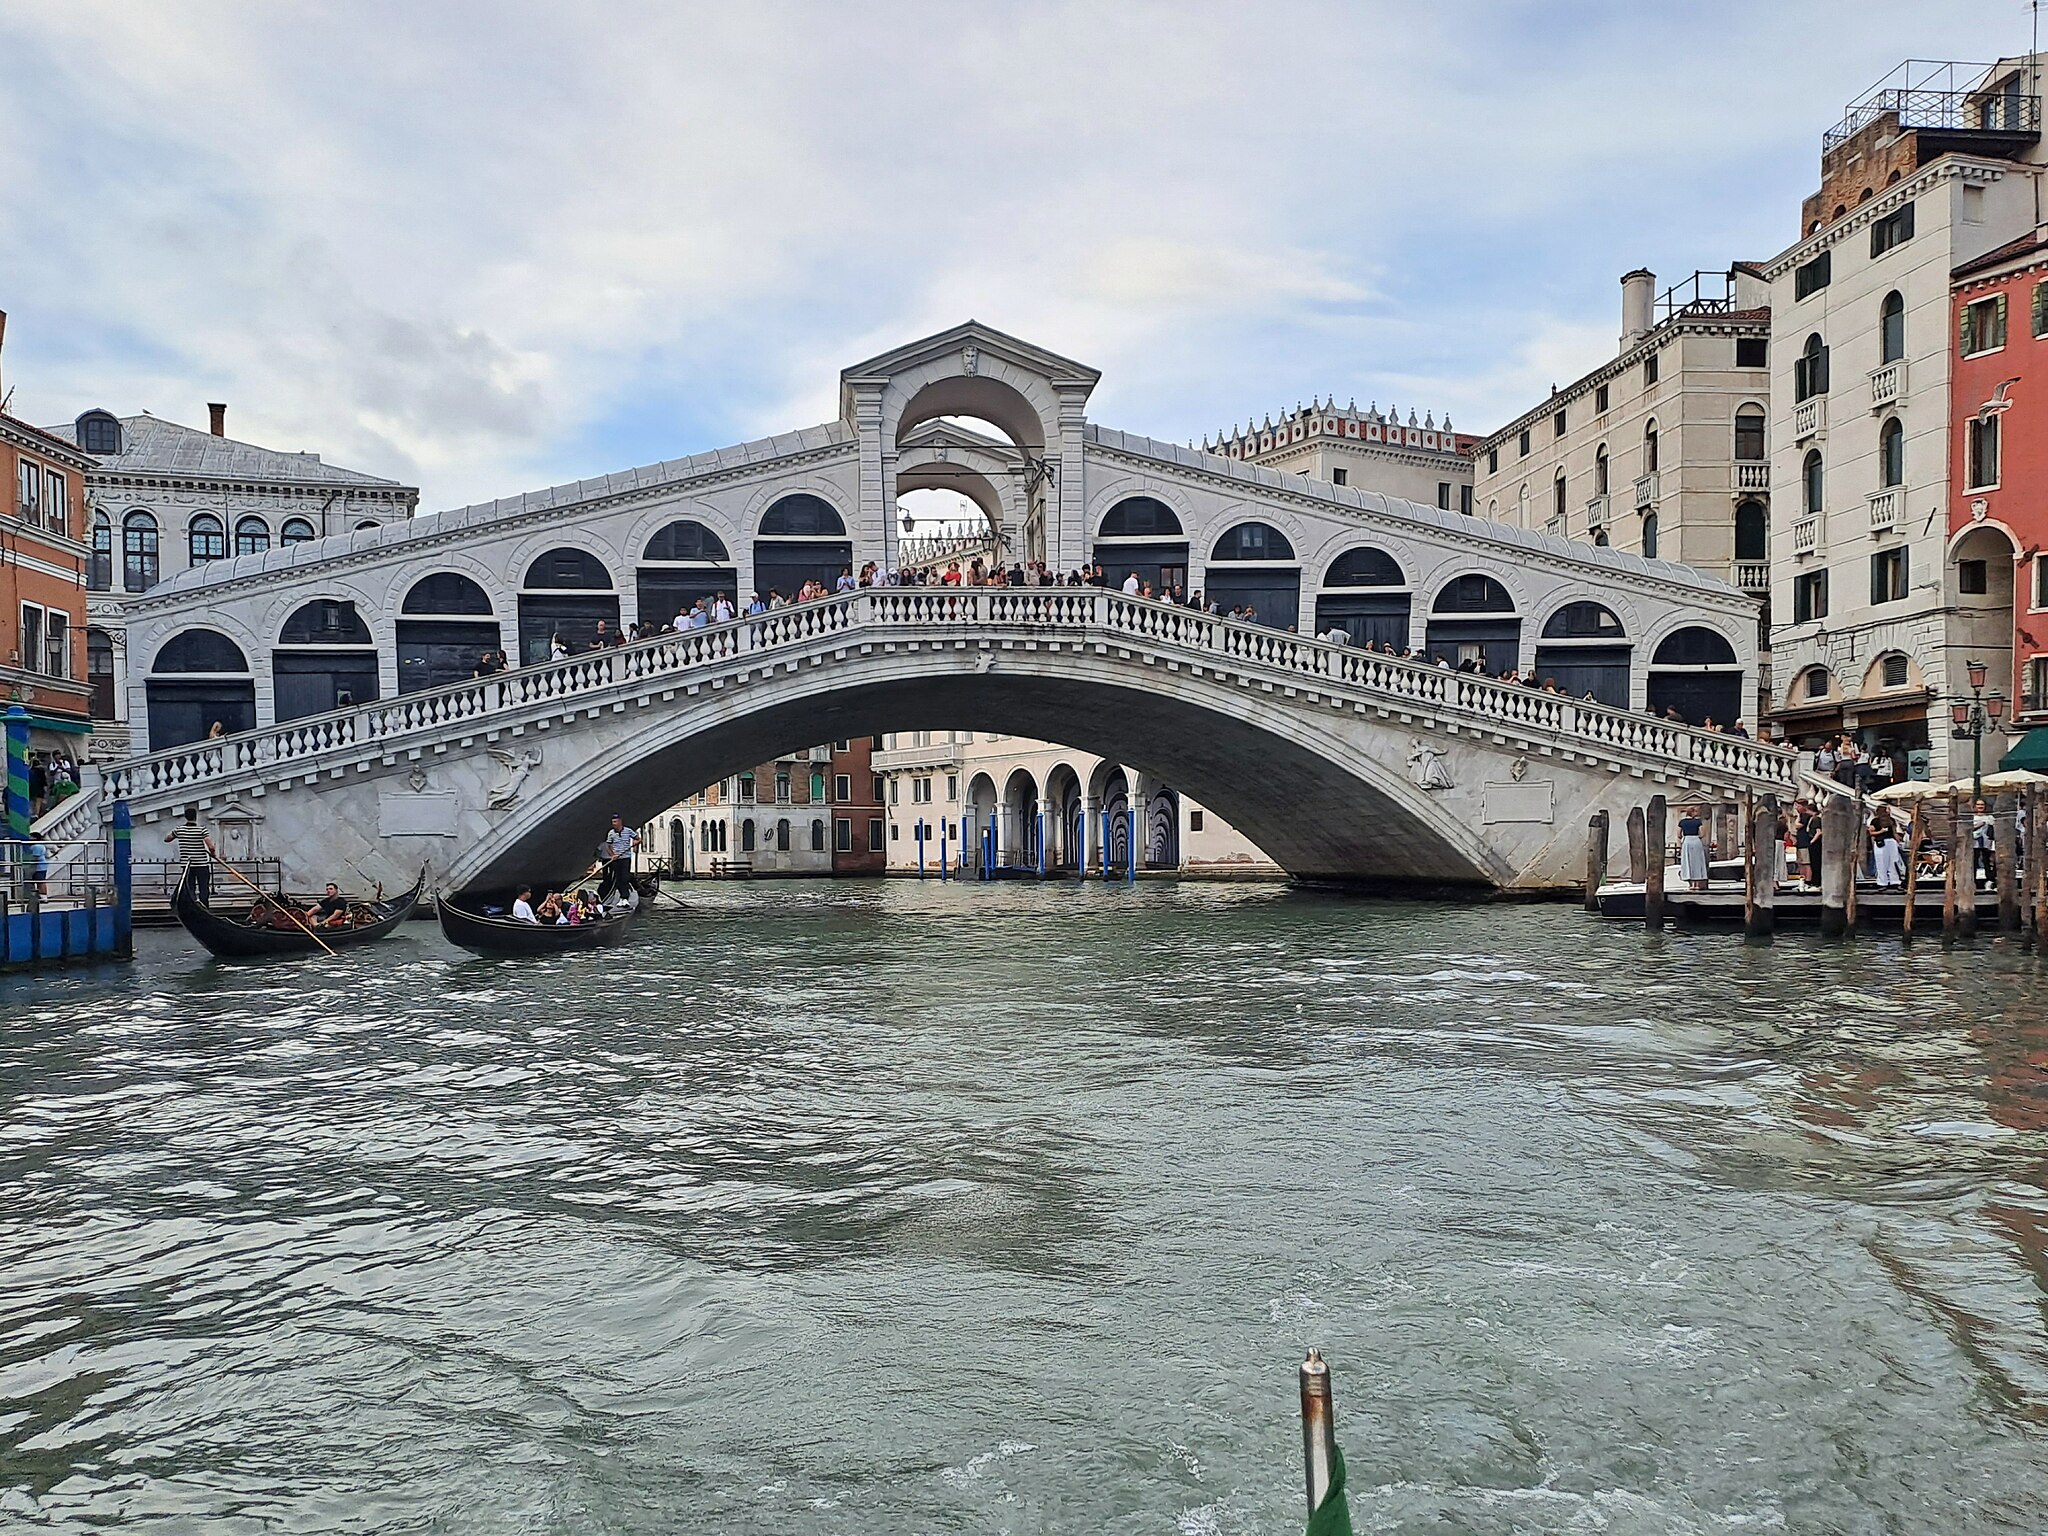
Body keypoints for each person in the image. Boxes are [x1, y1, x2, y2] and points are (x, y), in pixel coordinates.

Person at [164, 807, 218, 902]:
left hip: (187, 865)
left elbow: (167, 839)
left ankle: (192, 903)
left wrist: (177, 835)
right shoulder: (202, 830)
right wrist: (212, 854)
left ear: (185, 817)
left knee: (190, 887)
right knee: (204, 887)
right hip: (201, 864)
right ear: (195, 817)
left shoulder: (179, 830)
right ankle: (204, 905)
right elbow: (211, 847)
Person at [601, 814, 640, 898]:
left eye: (615, 822)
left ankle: (625, 897)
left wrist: (636, 842)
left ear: (620, 822)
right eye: (612, 822)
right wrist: (612, 855)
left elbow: (638, 839)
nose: (614, 824)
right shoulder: (611, 833)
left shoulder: (628, 831)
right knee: (618, 878)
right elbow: (608, 846)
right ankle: (622, 896)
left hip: (626, 857)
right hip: (616, 858)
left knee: (625, 877)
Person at [1677, 803, 1710, 891]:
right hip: (1696, 840)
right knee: (1697, 861)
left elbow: (1678, 835)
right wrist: (1698, 837)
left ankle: (1691, 883)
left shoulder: (1682, 822)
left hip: (1687, 840)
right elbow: (1703, 833)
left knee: (1688, 861)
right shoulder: (1698, 822)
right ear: (1692, 812)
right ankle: (1697, 884)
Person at [1870, 811, 1905, 888]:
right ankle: (1882, 882)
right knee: (1881, 863)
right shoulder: (1875, 821)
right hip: (1881, 842)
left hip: (1891, 841)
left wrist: (1898, 841)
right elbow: (1871, 832)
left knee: (1894, 861)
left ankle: (1895, 881)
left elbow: (1894, 832)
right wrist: (1881, 831)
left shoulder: (1891, 820)